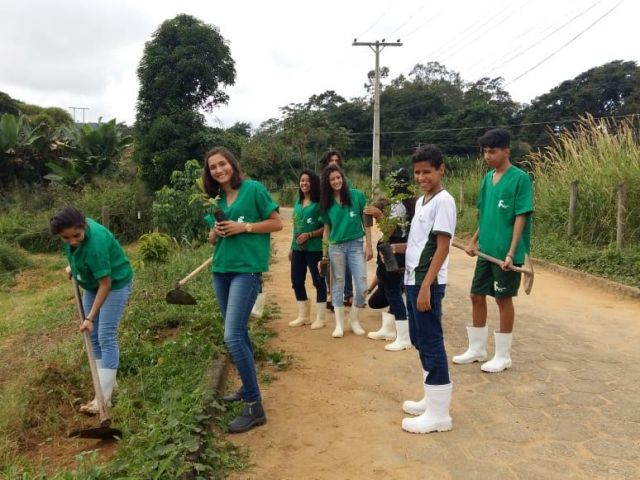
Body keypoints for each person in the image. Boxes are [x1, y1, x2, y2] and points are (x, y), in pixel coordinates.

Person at [203, 146, 283, 433]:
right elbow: (212, 240)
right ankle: (247, 387)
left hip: (246, 270)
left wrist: (244, 227)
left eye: (222, 164)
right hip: (221, 270)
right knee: (240, 333)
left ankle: (254, 405)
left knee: (232, 336)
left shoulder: (253, 189)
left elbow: (277, 223)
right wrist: (217, 231)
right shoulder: (216, 199)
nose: (218, 170)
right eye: (213, 167)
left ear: (232, 165)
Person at [452, 128, 533, 373]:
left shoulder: (520, 178)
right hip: (486, 250)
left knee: (502, 298)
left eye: (492, 151)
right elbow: (485, 214)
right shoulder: (487, 178)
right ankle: (477, 349)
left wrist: (510, 253)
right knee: (476, 295)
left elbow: (521, 217)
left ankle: (503, 356)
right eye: (485, 151)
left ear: (506, 151)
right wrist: (473, 241)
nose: (488, 156)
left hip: (505, 254)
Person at [49, 206, 133, 415]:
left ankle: (102, 400)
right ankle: (108, 387)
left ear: (84, 225)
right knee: (92, 336)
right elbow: (76, 252)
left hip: (114, 284)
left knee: (105, 335)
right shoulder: (73, 234)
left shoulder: (95, 243)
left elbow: (106, 283)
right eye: (66, 238)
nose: (72, 241)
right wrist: (73, 267)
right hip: (92, 283)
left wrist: (90, 316)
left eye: (76, 236)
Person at [396, 145, 456, 434]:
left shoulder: (444, 201)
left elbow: (442, 248)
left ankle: (439, 415)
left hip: (426, 282)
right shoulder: (422, 202)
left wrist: (426, 287)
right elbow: (420, 243)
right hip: (412, 279)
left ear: (441, 169)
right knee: (419, 340)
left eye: (427, 172)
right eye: (417, 172)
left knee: (431, 342)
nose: (421, 177)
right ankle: (431, 399)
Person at [319, 164, 373, 338]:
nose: (336, 181)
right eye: (332, 179)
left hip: (356, 245)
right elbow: (326, 230)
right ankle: (339, 325)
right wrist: (324, 254)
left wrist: (369, 245)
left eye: (338, 177)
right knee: (338, 285)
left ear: (343, 177)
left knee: (362, 285)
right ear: (328, 183)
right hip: (336, 247)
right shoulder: (326, 204)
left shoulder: (357, 196)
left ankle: (354, 320)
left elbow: (367, 222)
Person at [364, 168, 415, 351]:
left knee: (393, 292)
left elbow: (390, 231)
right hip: (392, 250)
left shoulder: (400, 206)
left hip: (396, 250)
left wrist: (379, 215)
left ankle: (403, 337)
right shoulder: (403, 203)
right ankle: (387, 329)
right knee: (386, 285)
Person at [288, 169, 327, 329]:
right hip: (298, 248)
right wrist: (292, 247)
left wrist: (310, 234)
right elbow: (296, 228)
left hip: (314, 248)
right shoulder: (297, 203)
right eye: (302, 181)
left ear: (313, 183)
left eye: (307, 181)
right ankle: (303, 316)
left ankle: (321, 318)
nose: (304, 183)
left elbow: (326, 227)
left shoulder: (319, 204)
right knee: (296, 281)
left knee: (318, 281)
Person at [320, 149, 353, 307]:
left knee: (345, 265)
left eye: (336, 160)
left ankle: (348, 294)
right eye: (331, 161)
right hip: (328, 224)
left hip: (344, 229)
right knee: (329, 265)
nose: (333, 163)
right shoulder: (323, 184)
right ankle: (331, 294)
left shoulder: (345, 181)